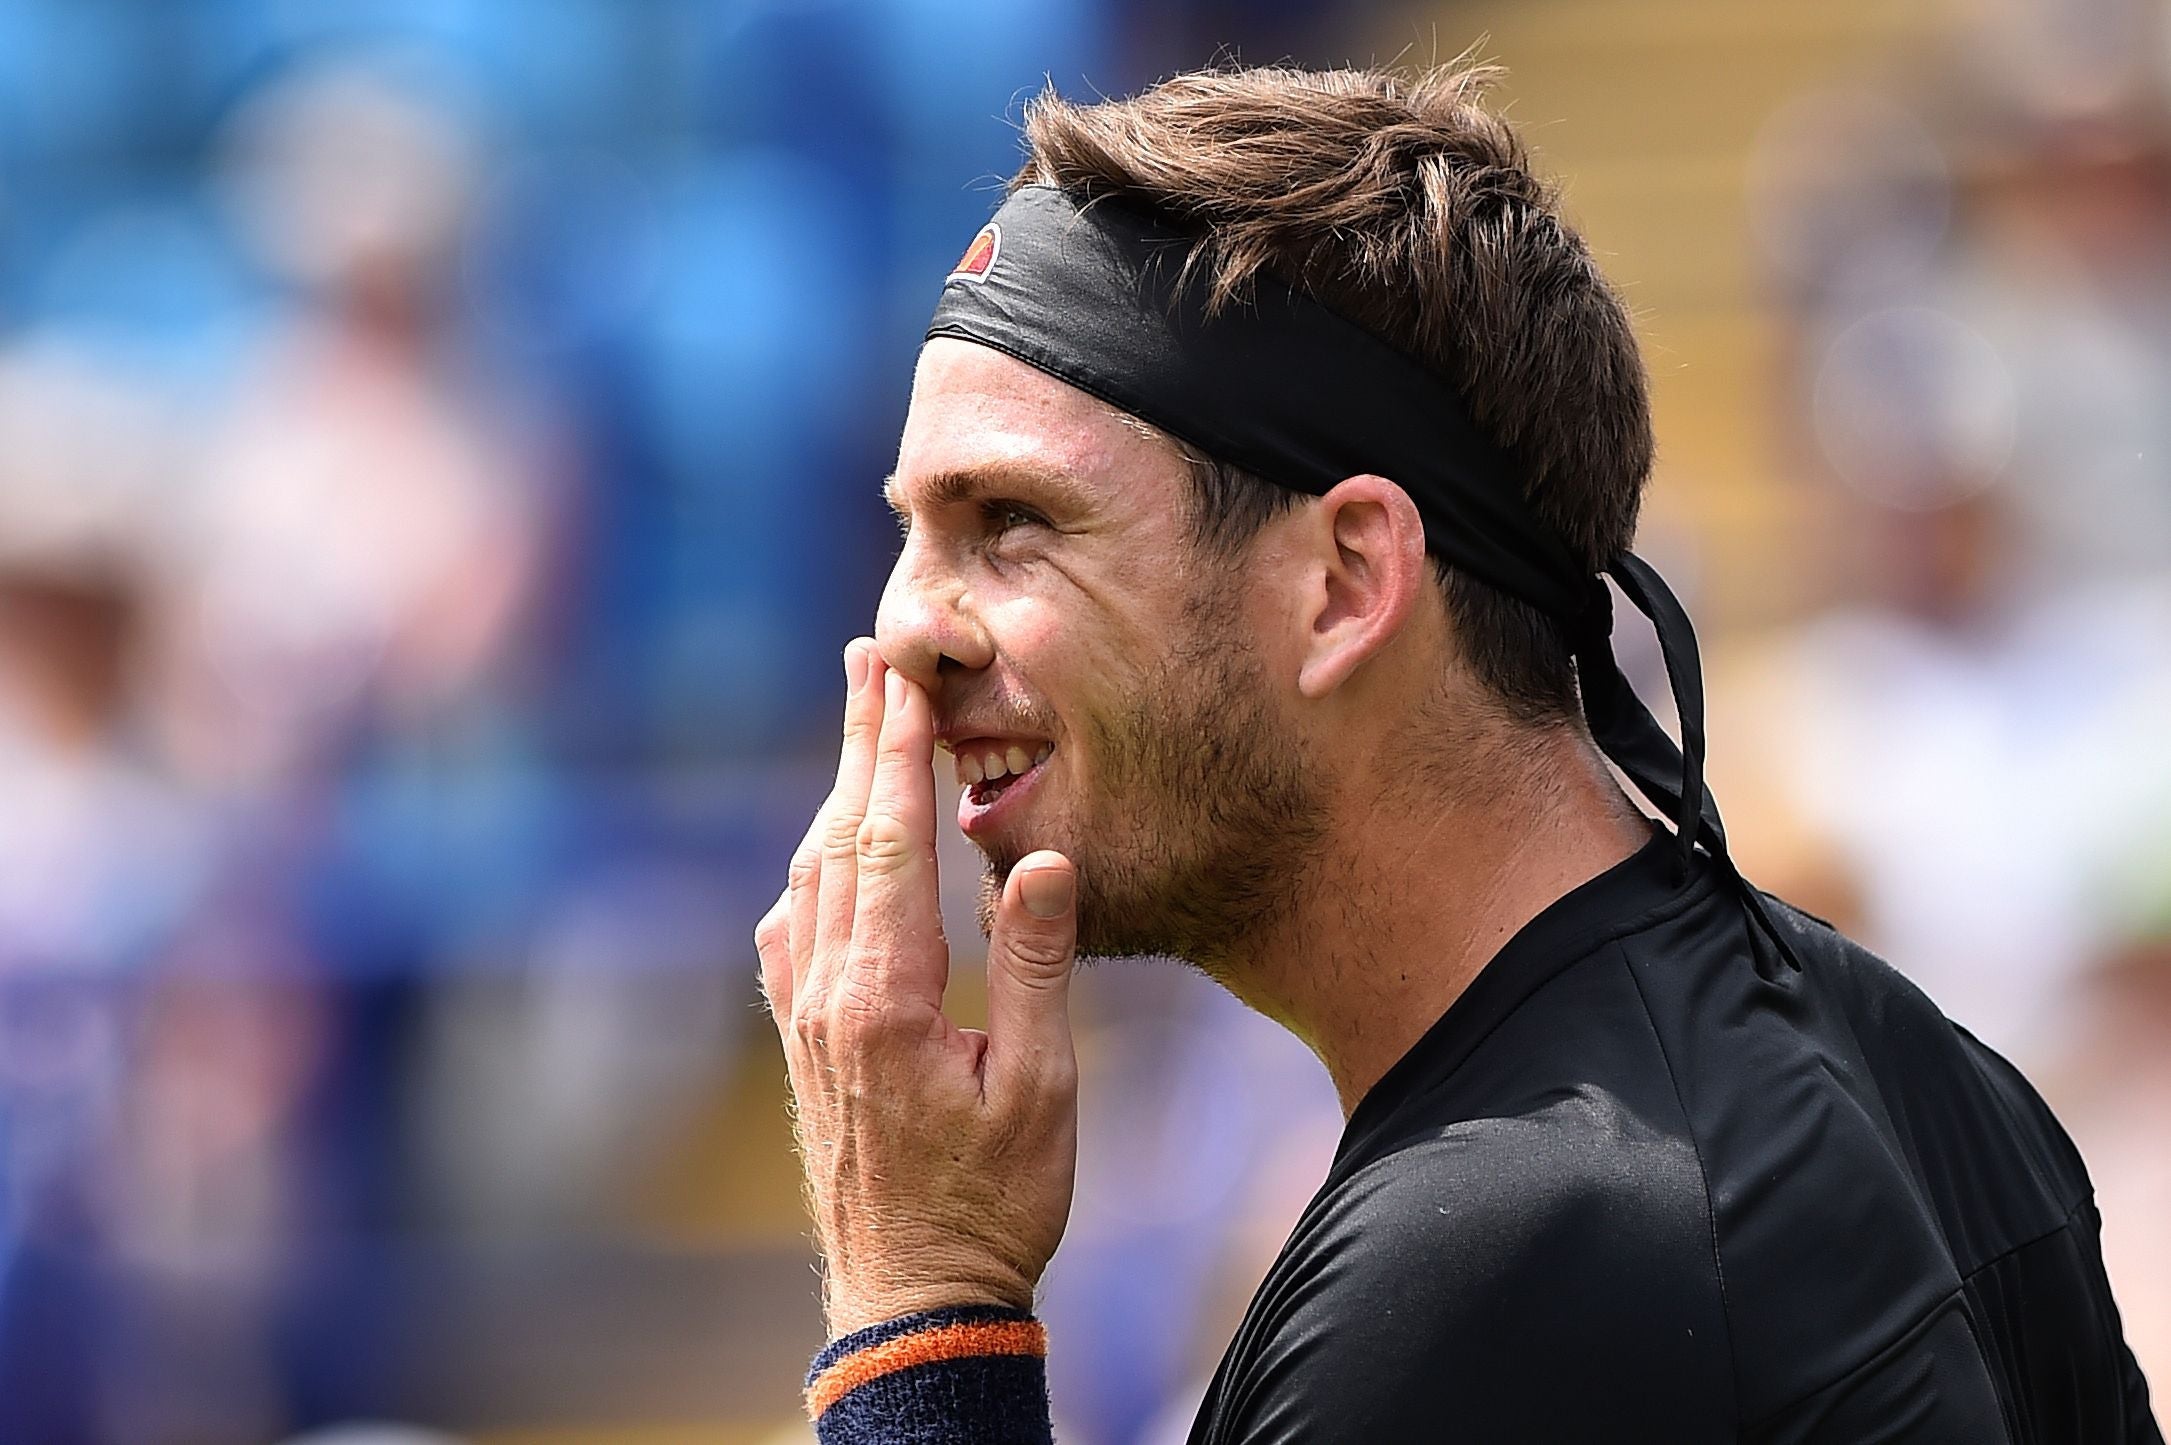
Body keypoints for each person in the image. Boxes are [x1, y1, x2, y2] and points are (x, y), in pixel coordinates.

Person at [751, 62, 2163, 1443]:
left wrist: (921, 1304)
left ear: (1347, 581)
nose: (907, 630)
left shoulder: (1501, 1258)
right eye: (910, 533)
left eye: (1011, 521)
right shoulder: (1911, 1061)